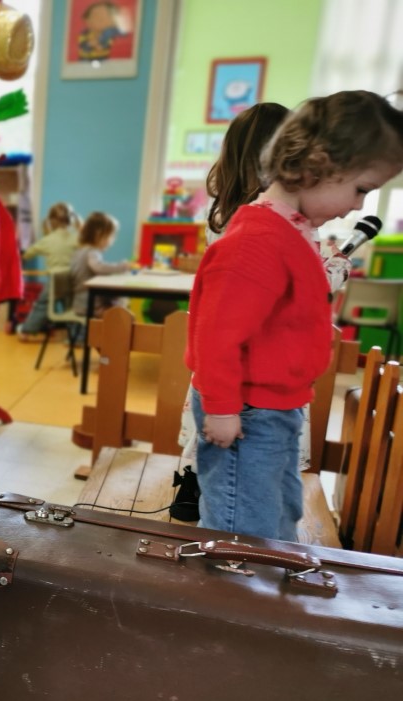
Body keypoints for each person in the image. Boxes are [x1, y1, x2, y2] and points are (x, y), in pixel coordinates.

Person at [187, 90, 403, 542]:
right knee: (241, 527)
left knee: (277, 511)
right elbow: (216, 335)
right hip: (249, 412)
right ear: (315, 166)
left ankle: (267, 571)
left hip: (276, 407)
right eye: (361, 189)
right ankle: (239, 583)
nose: (359, 206)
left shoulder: (292, 230)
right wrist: (222, 409)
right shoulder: (257, 240)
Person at [172, 102, 290, 521]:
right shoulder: (272, 219)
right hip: (255, 355)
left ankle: (196, 488)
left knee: (215, 424)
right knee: (246, 439)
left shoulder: (223, 213)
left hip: (220, 349)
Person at [18, 202, 81, 337]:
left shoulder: (47, 240)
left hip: (56, 280)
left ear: (51, 221)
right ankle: (76, 337)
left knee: (42, 305)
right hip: (73, 279)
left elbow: (27, 254)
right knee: (72, 308)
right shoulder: (77, 238)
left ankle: (26, 331)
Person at [69, 211, 126, 317]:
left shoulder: (81, 250)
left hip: (81, 302)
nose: (113, 240)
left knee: (119, 302)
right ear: (99, 234)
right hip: (89, 305)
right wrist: (121, 267)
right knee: (122, 313)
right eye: (111, 236)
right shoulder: (92, 251)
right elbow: (98, 267)